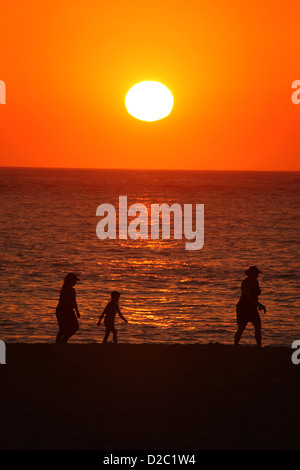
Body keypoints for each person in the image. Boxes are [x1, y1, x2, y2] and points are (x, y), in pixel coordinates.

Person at [234, 266, 266, 347]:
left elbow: (254, 296)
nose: (257, 275)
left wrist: (257, 304)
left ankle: (259, 346)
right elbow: (248, 296)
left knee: (258, 327)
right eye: (255, 273)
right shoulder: (246, 283)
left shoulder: (256, 282)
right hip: (244, 307)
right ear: (250, 274)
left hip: (252, 307)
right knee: (241, 328)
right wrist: (259, 304)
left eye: (257, 274)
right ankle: (235, 345)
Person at [55, 273, 81, 343]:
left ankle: (64, 340)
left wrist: (77, 311)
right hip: (62, 310)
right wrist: (68, 312)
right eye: (74, 281)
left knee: (75, 327)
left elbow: (74, 301)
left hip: (69, 310)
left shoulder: (72, 290)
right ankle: (60, 342)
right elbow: (65, 302)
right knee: (63, 328)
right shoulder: (65, 290)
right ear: (70, 281)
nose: (75, 282)